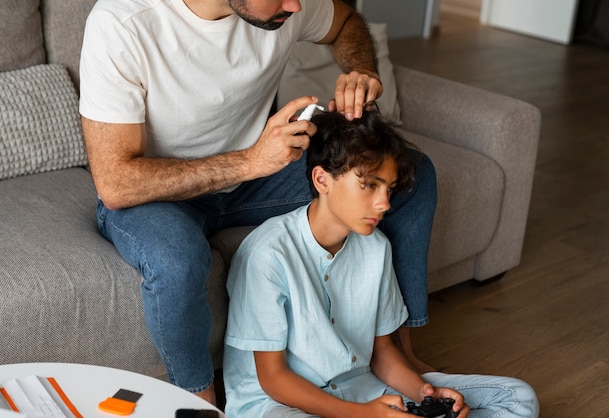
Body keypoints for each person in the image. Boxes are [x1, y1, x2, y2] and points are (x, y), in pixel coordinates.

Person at [79, 0, 436, 404]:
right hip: (159, 193)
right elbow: (116, 183)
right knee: (177, 259)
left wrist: (361, 73)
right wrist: (251, 161)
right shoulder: (122, 23)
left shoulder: (285, 6)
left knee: (412, 176)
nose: (296, 5)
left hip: (256, 176)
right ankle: (199, 403)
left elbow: (346, 22)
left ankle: (401, 353)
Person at [223, 110, 540, 418]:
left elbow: (382, 352)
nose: (385, 203)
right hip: (280, 403)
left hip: (364, 386)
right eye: (370, 185)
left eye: (388, 188)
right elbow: (274, 379)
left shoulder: (376, 247)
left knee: (516, 398)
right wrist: (363, 415)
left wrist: (423, 394)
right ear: (322, 179)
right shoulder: (267, 253)